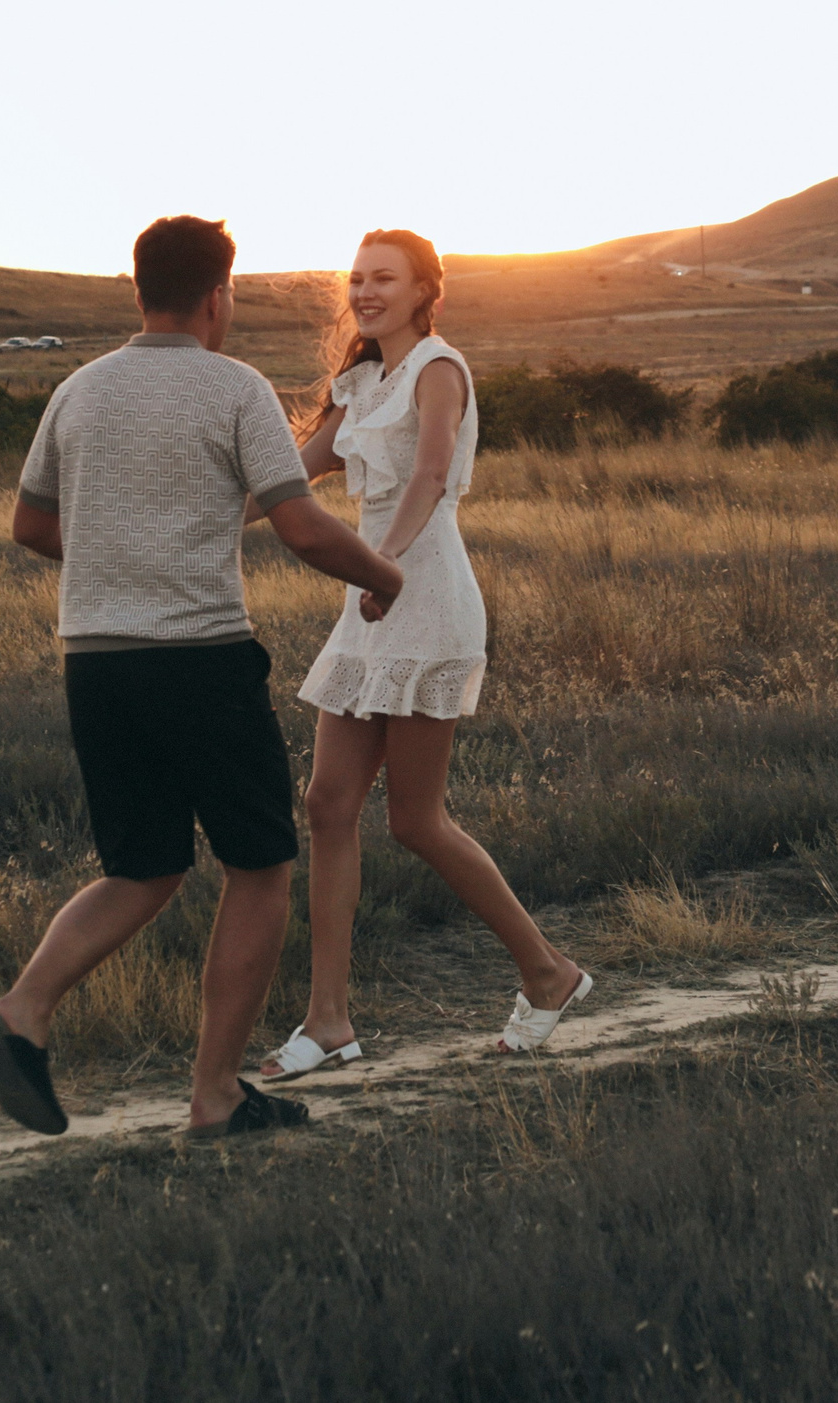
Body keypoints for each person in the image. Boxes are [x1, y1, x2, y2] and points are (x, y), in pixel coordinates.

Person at [0, 215, 404, 1139]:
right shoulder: (234, 388)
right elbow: (300, 524)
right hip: (199, 660)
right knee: (260, 865)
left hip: (95, 663)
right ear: (218, 297)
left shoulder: (77, 391)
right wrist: (382, 574)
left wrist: (118, 555)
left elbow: (31, 527)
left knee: (143, 865)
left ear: (137, 292)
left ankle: (25, 1007)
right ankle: (214, 1094)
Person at [256, 229, 589, 1082]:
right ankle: (328, 1020)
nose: (366, 292)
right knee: (328, 803)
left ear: (422, 290)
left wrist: (386, 561)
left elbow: (431, 472)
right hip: (369, 599)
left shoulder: (440, 367)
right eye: (358, 279)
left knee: (415, 819)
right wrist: (203, 516)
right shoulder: (361, 382)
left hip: (423, 592)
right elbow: (296, 476)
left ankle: (549, 972)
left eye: (384, 279)